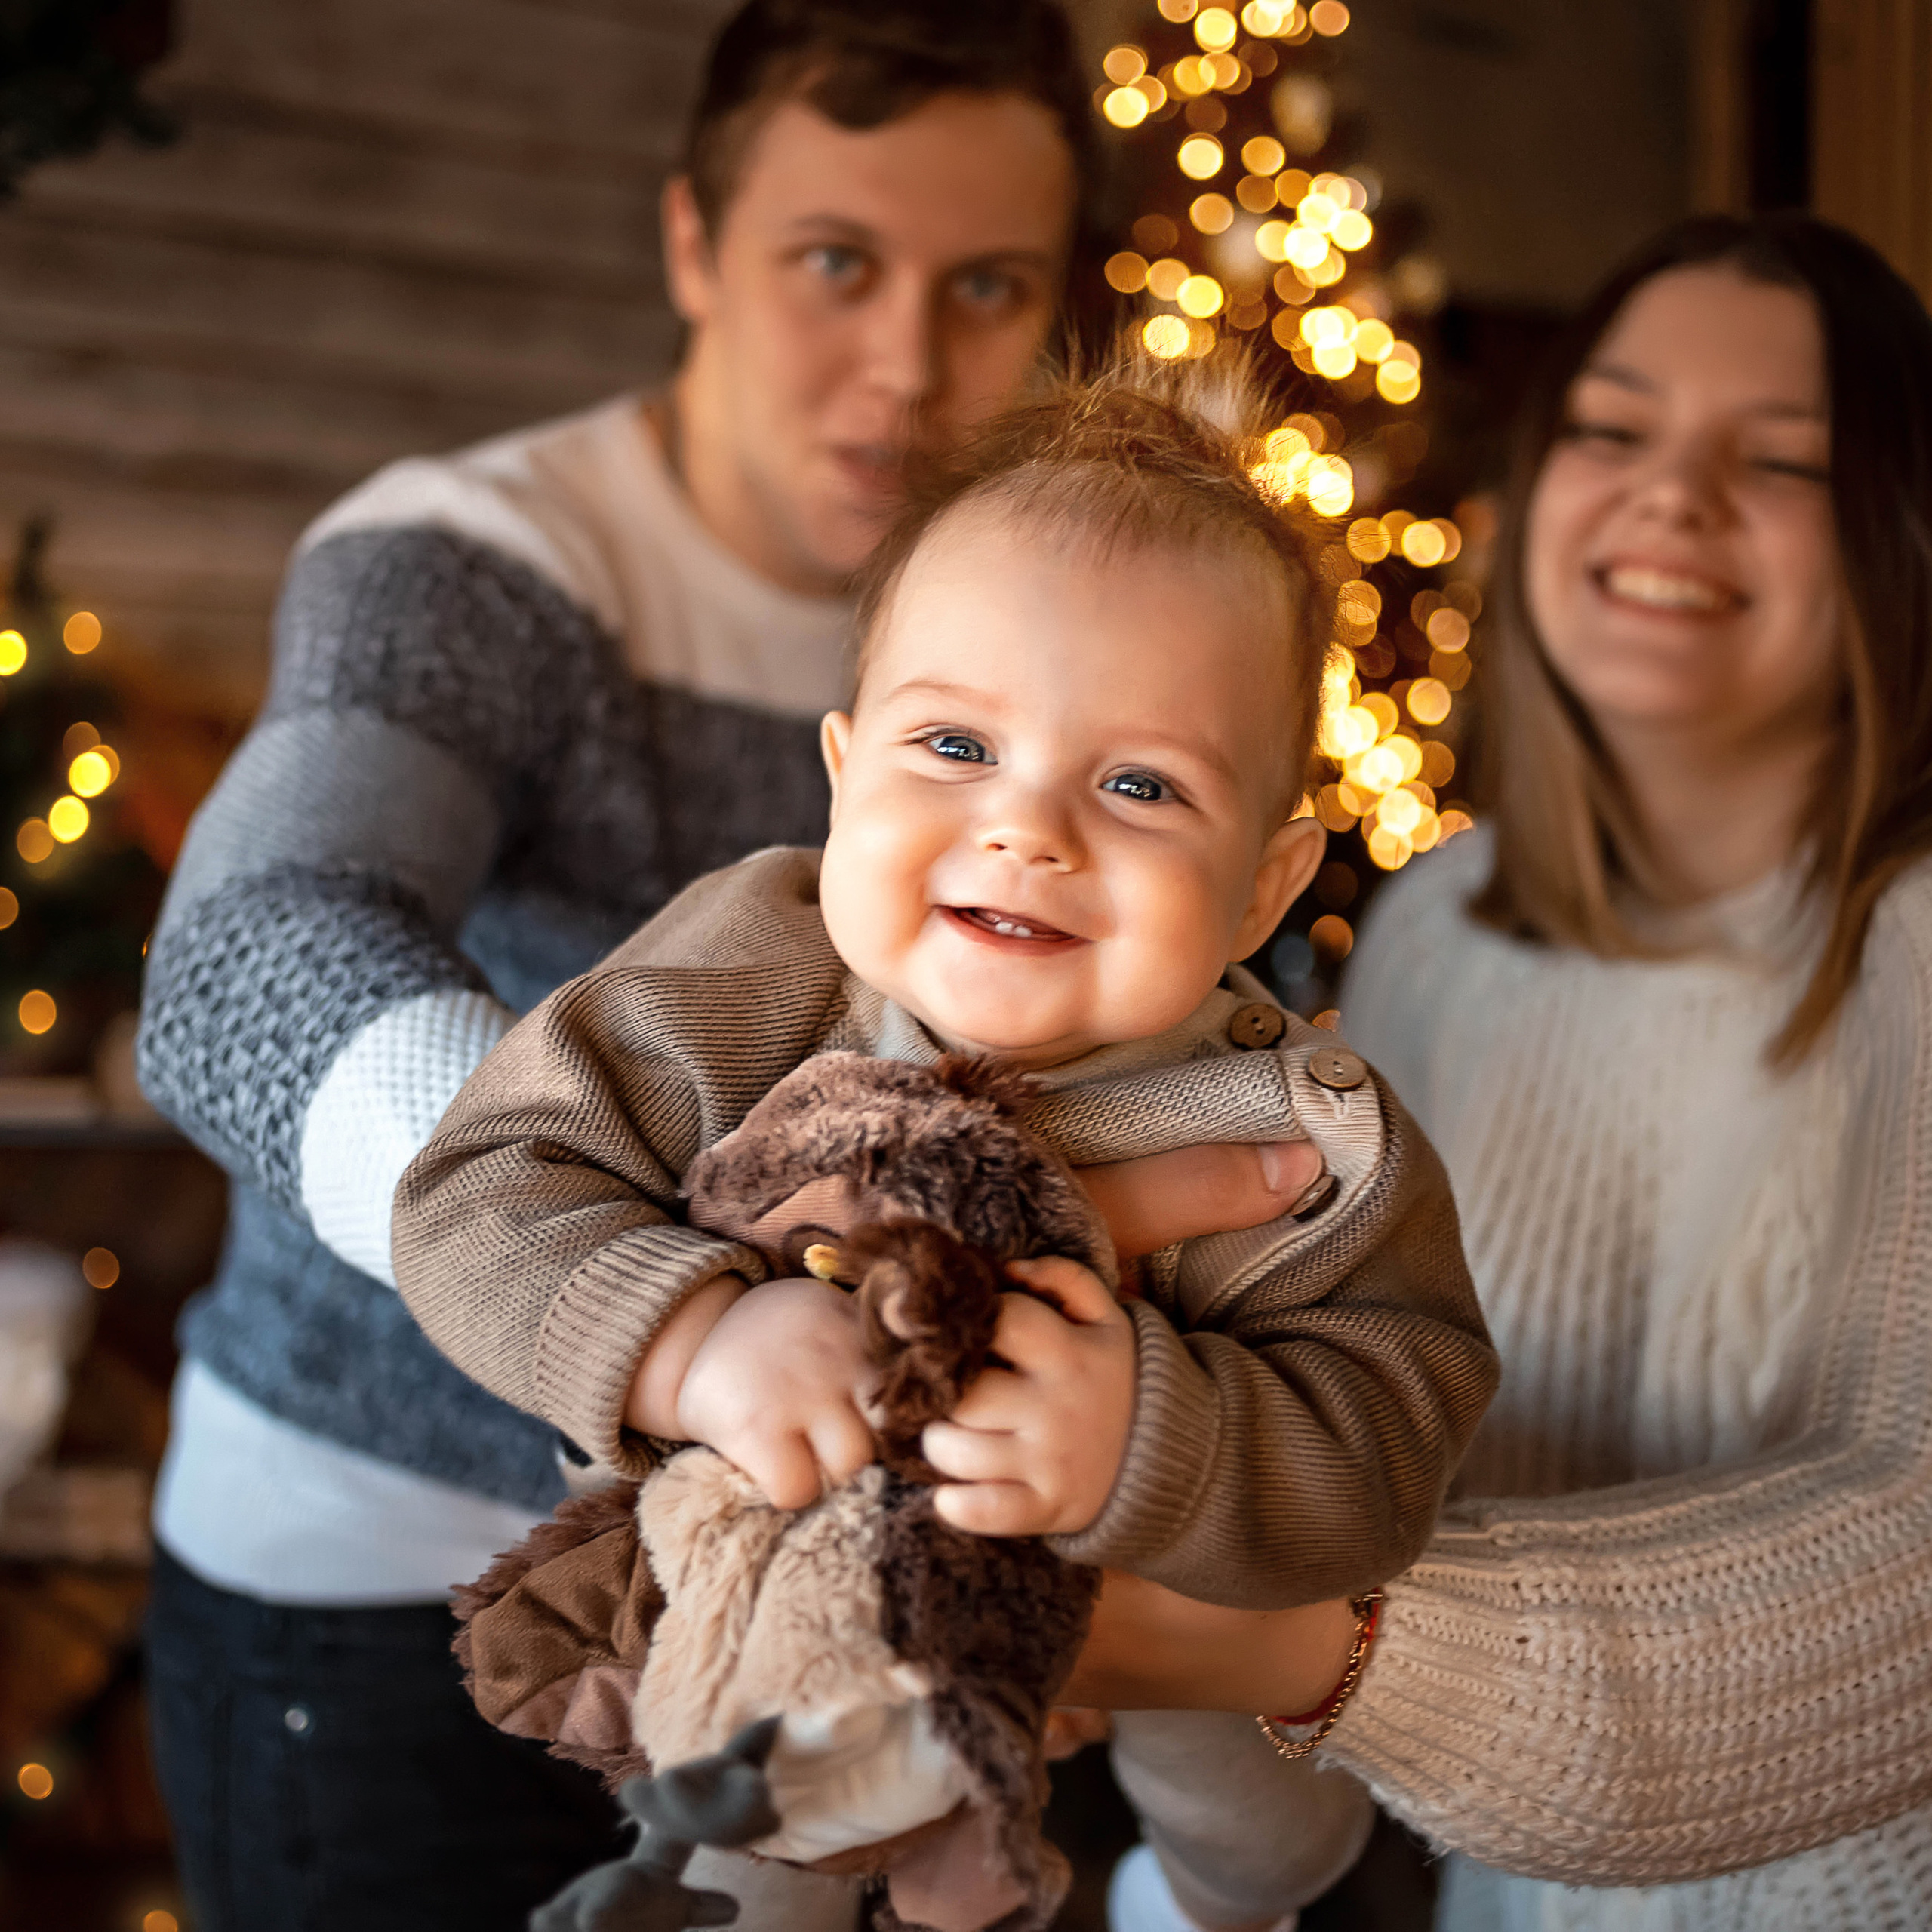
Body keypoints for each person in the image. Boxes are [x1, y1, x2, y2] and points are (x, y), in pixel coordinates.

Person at [132, 8, 1341, 1930]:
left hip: (881, 1575)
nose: (905, 362)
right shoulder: (478, 563)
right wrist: (685, 1304)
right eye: (833, 262)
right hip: (389, 1579)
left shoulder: (1086, 604)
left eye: (988, 286)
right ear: (694, 243)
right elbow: (248, 955)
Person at [390, 357, 1497, 1915]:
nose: (1026, 827)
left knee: (1266, 1841)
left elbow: (1396, 1423)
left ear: (1262, 881)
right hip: (790, 1566)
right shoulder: (745, 968)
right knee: (752, 1835)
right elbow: (478, 1187)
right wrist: (695, 1333)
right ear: (842, 777)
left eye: (1136, 782)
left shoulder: (1296, 1134)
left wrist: (1154, 1439)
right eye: (954, 748)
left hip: (1160, 1612)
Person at [1062, 211, 1932, 1932]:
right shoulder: (1438, 920)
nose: (1666, 496)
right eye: (1609, 429)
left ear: (1897, 539)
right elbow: (1335, 1429)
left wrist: (1275, 1638)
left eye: (1779, 460)